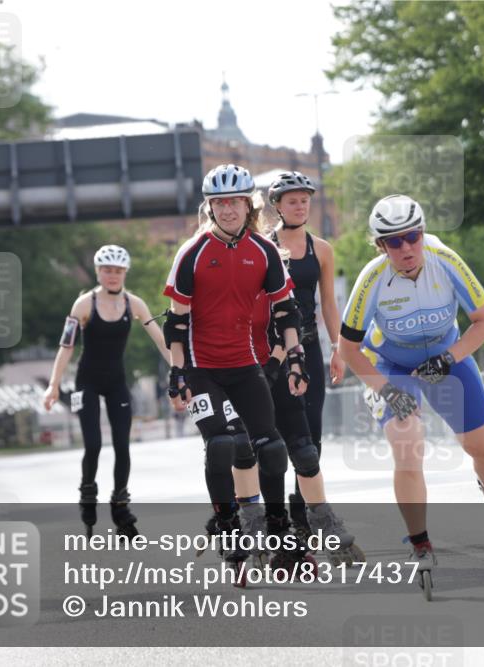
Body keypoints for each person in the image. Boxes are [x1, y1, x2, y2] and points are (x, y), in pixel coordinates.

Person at [162, 164, 353, 568]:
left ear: (248, 204)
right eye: (219, 203)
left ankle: (284, 530)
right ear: (209, 206)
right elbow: (176, 321)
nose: (227, 210)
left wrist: (296, 357)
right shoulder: (191, 254)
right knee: (223, 445)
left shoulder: (264, 252)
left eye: (234, 202)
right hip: (202, 368)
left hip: (248, 365)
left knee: (277, 448)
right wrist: (177, 372)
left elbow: (287, 313)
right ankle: (232, 524)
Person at [338, 194, 484, 575]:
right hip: (391, 364)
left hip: (447, 357)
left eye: (412, 236)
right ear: (381, 246)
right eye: (394, 242)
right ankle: (420, 541)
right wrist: (388, 391)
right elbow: (348, 349)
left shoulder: (445, 260)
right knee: (407, 441)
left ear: (423, 233)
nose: (406, 247)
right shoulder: (372, 279)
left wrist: (448, 358)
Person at [43, 245, 169, 538]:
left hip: (116, 383)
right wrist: (53, 385)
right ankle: (88, 492)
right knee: (94, 445)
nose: (112, 276)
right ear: (99, 272)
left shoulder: (134, 304)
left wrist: (182, 372)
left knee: (123, 447)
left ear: (125, 273)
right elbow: (66, 347)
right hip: (86, 383)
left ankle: (121, 507)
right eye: (107, 270)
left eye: (118, 271)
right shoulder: (83, 305)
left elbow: (160, 341)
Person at [263, 171, 347, 539]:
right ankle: (275, 519)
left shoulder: (322, 249)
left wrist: (339, 349)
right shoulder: (263, 247)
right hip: (275, 353)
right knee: (278, 439)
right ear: (277, 205)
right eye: (292, 200)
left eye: (305, 200)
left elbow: (328, 303)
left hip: (310, 349)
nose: (300, 206)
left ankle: (303, 519)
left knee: (312, 438)